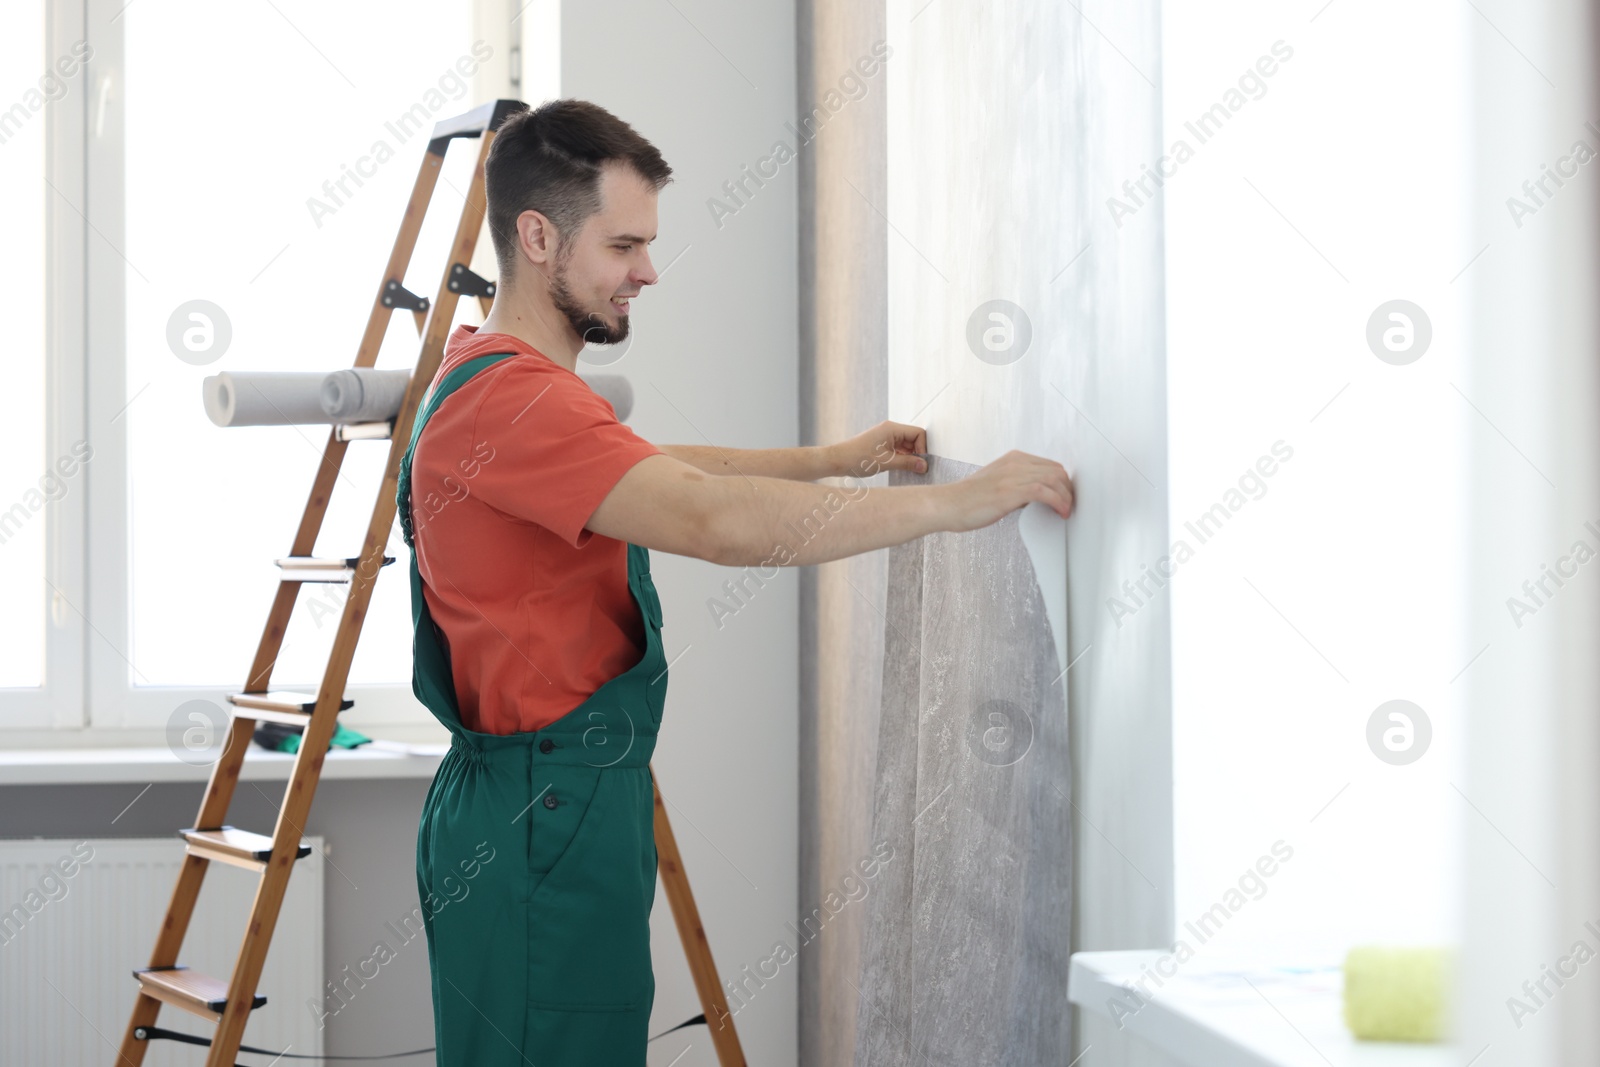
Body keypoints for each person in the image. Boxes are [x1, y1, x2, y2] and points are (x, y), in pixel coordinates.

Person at [396, 97, 1074, 1066]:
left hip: (546, 806)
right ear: (538, 236)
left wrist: (833, 457)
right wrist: (953, 509)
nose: (646, 270)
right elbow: (708, 521)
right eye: (624, 243)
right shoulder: (514, 396)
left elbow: (661, 468)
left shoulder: (493, 376)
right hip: (540, 815)